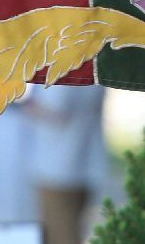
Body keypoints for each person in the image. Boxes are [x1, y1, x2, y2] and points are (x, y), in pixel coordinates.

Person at [24, 83, 109, 244]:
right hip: (86, 164)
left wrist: (27, 105)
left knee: (62, 235)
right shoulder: (94, 68)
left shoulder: (62, 72)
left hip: (56, 170)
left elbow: (57, 109)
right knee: (72, 231)